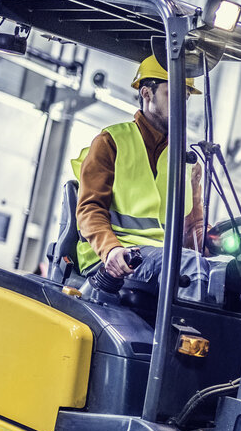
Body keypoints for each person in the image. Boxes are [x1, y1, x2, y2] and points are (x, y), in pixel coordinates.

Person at [73, 55, 210, 294]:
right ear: (147, 94)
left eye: (186, 97)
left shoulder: (186, 161)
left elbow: (193, 229)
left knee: (232, 275)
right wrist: (111, 249)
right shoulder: (111, 142)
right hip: (116, 259)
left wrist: (228, 245)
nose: (182, 104)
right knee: (190, 266)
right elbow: (89, 208)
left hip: (164, 260)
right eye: (173, 93)